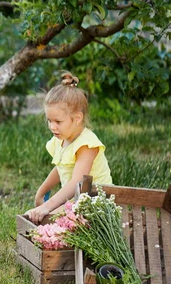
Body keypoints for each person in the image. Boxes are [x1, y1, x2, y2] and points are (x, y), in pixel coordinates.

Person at [25, 71, 112, 224]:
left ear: (77, 118)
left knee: (49, 217)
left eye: (58, 122)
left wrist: (48, 205)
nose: (52, 127)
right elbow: (61, 168)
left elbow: (76, 183)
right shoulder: (61, 139)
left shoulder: (87, 144)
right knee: (40, 217)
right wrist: (42, 191)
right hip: (76, 200)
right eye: (49, 121)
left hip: (95, 203)